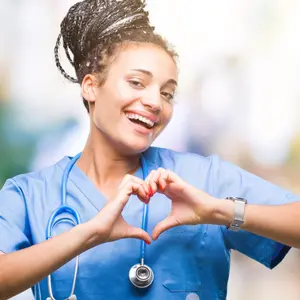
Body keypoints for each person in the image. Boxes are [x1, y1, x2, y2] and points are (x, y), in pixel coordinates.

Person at [0, 1, 299, 299]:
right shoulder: (29, 195)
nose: (155, 102)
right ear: (90, 86)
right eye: (136, 82)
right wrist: (88, 234)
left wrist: (218, 210)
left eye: (167, 93)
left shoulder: (203, 179)